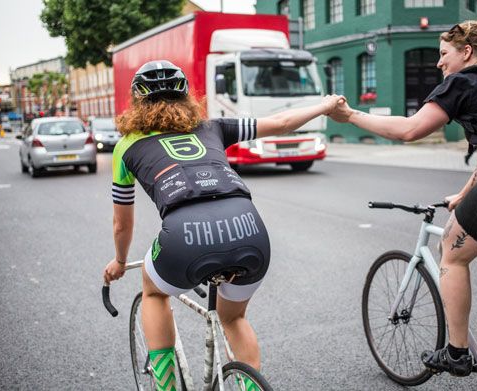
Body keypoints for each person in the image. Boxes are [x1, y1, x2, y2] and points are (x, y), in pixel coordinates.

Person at [328, 19, 477, 376]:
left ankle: (457, 352)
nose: (439, 63)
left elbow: (409, 130)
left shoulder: (462, 84)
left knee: (451, 250)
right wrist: (464, 194)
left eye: (443, 54)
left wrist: (351, 115)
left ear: (466, 53)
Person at [102, 60, 341, 390]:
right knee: (233, 317)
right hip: (249, 227)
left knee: (154, 291)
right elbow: (283, 122)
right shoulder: (213, 127)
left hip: (184, 236)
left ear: (137, 102)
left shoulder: (126, 147)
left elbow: (121, 224)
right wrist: (325, 105)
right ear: (187, 97)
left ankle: (167, 386)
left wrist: (118, 260)